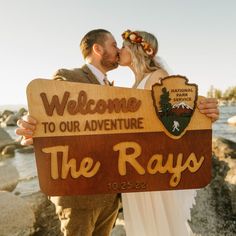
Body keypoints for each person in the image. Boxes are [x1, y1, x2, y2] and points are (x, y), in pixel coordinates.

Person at [16, 29, 120, 236]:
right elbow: (47, 105)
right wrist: (31, 122)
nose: (118, 50)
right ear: (98, 49)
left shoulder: (114, 88)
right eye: (114, 45)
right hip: (79, 196)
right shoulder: (70, 76)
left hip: (110, 196)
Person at [118, 29, 219, 236]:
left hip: (154, 166)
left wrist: (207, 112)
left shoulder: (158, 77)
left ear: (136, 49)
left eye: (123, 47)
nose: (119, 51)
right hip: (137, 164)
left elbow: (182, 113)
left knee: (159, 224)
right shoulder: (135, 83)